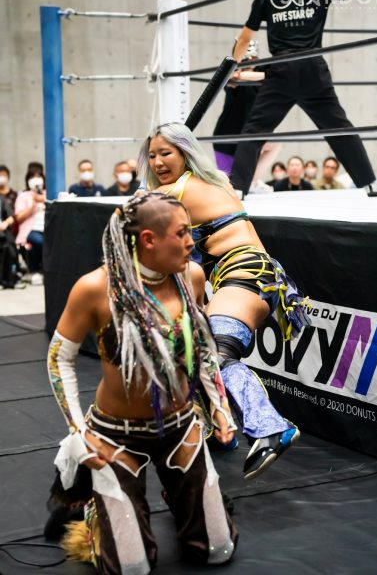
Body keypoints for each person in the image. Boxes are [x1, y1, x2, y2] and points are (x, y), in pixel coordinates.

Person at [47, 192, 237, 573]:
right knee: (131, 568)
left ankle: (179, 491)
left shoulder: (191, 277)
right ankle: (93, 510)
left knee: (217, 550)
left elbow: (202, 347)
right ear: (149, 239)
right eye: (182, 233)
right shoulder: (95, 288)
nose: (192, 242)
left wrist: (219, 407)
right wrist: (80, 433)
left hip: (181, 426)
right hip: (114, 434)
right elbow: (58, 359)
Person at [138, 122, 310, 480]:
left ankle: (271, 428)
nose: (157, 162)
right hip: (253, 276)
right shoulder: (216, 181)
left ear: (185, 153)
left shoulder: (172, 193)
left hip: (246, 273)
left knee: (214, 355)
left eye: (166, 153)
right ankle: (221, 430)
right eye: (151, 155)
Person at [228, 0, 377, 198]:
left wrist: (232, 68)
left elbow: (244, 38)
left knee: (254, 130)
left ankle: (238, 188)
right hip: (313, 69)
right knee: (338, 127)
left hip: (282, 69)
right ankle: (370, 183)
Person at [213, 39, 282, 189]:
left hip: (249, 137)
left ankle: (252, 182)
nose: (251, 62)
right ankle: (249, 183)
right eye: (247, 59)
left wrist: (250, 74)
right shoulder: (232, 75)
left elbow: (275, 74)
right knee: (229, 186)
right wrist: (242, 74)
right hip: (227, 137)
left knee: (275, 143)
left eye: (253, 59)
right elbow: (231, 77)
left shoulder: (259, 71)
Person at [15, 167, 46, 285]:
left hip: (48, 229)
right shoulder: (23, 196)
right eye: (32, 177)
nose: (36, 180)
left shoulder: (48, 194)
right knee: (40, 241)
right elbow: (18, 218)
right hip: (31, 230)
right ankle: (37, 270)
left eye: (38, 177)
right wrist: (33, 205)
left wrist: (44, 200)